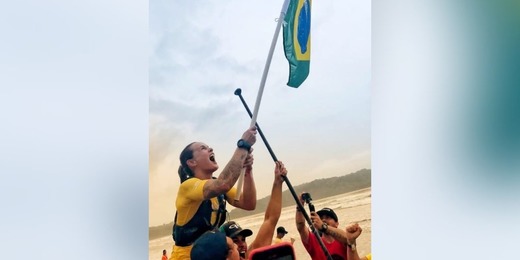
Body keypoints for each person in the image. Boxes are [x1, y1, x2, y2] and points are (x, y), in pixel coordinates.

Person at [170, 126, 258, 260]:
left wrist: (247, 170)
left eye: (209, 147)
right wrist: (243, 145)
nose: (210, 149)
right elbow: (223, 184)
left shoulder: (219, 188)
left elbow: (249, 203)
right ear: (192, 162)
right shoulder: (187, 187)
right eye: (203, 148)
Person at [193, 161, 288, 260]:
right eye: (235, 241)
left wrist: (278, 182)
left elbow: (270, 220)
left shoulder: (252, 256)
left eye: (243, 239)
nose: (241, 244)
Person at [296, 195, 362, 260]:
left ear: (337, 224)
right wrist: (299, 206)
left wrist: (324, 227)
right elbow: (301, 226)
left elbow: (348, 239)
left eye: (328, 217)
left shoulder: (342, 240)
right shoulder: (314, 241)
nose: (324, 220)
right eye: (321, 218)